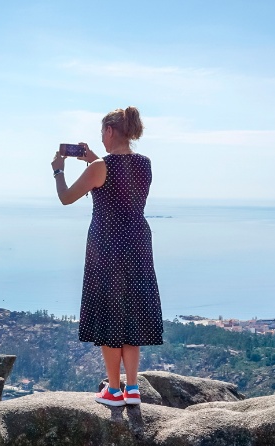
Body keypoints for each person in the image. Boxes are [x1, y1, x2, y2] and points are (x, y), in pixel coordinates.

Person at [51, 106, 164, 407]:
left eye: (103, 131)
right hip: (138, 243)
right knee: (132, 314)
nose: (101, 137)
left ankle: (113, 391)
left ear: (111, 131)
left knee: (110, 316)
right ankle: (133, 387)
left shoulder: (100, 167)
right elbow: (120, 181)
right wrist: (93, 160)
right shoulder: (145, 164)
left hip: (108, 246)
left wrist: (58, 169)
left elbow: (65, 197)